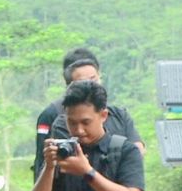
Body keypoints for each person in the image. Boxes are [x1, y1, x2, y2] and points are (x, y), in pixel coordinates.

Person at [33, 48, 142, 180]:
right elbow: (43, 162)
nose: (79, 130)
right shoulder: (54, 117)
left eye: (94, 79)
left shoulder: (120, 115)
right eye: (72, 123)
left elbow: (137, 150)